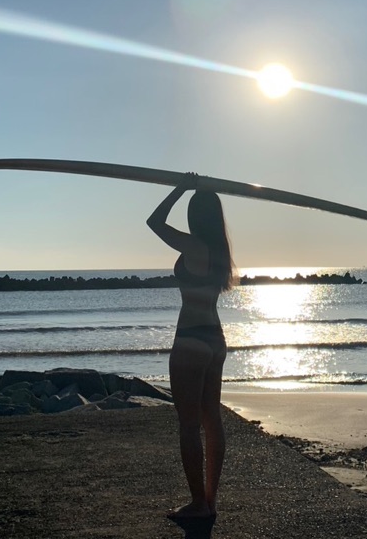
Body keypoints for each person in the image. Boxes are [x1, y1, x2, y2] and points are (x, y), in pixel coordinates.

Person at [147, 173, 236, 526]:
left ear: (194, 216)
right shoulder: (221, 250)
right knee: (211, 419)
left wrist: (180, 189)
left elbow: (154, 222)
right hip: (215, 338)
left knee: (188, 424)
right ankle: (209, 500)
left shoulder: (193, 245)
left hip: (191, 339)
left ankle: (199, 502)